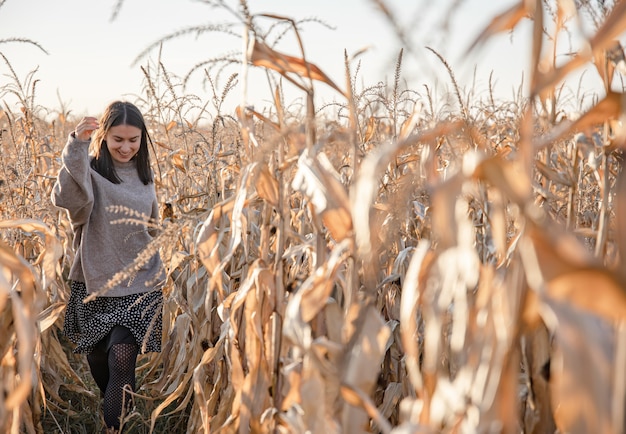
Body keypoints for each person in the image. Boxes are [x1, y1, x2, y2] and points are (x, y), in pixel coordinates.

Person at [51, 101, 164, 432]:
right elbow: (66, 199)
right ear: (104, 136)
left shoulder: (146, 176)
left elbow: (152, 225)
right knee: (100, 360)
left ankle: (114, 426)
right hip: (95, 281)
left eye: (133, 140)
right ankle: (113, 405)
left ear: (142, 139)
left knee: (122, 357)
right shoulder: (90, 172)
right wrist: (76, 143)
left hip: (139, 284)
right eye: (118, 139)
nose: (126, 147)